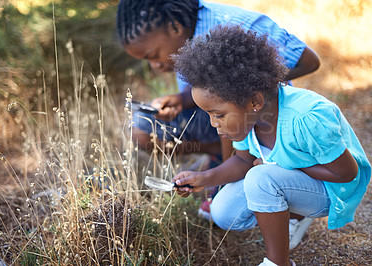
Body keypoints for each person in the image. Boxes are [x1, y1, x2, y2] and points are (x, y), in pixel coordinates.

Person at [172, 25, 371, 266]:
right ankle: (288, 211)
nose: (214, 124)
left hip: (330, 190)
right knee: (224, 213)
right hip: (288, 181)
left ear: (254, 100)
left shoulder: (306, 117)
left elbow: (347, 173)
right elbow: (244, 160)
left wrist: (277, 165)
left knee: (261, 177)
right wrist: (204, 177)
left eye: (219, 115)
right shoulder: (248, 119)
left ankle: (278, 261)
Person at [116, 0, 320, 160]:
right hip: (219, 117)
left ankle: (235, 169)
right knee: (141, 131)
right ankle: (218, 155)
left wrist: (242, 85)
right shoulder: (181, 40)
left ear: (175, 27)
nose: (155, 66)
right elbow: (208, 92)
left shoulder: (235, 25)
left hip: (261, 115)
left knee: (228, 104)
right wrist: (181, 100)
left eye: (153, 55)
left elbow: (309, 61)